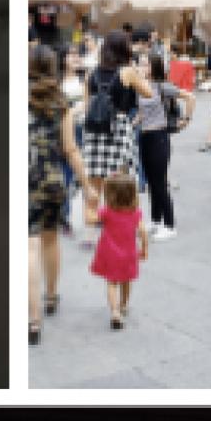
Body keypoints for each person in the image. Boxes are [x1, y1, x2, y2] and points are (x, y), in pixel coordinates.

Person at [28, 47, 84, 347]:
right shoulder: (60, 102)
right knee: (50, 239)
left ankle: (33, 319)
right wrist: (88, 184)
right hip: (52, 181)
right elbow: (70, 149)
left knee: (28, 246)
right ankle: (51, 296)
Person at [78, 32, 149, 233]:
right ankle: (118, 228)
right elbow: (148, 92)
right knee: (119, 181)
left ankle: (90, 231)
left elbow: (86, 105)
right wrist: (138, 73)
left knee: (94, 183)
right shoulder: (127, 72)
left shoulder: (91, 73)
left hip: (93, 129)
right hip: (117, 128)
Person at [133, 50, 192, 241]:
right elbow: (142, 113)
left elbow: (190, 97)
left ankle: (169, 223)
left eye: (146, 64)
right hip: (144, 136)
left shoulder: (161, 86)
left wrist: (186, 119)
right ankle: (156, 220)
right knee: (151, 182)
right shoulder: (140, 86)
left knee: (160, 183)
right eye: (140, 64)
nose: (142, 67)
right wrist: (132, 123)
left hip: (159, 136)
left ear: (154, 66)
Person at [88, 173, 146, 331]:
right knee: (126, 281)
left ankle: (114, 311)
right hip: (129, 253)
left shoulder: (106, 212)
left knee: (112, 282)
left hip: (109, 253)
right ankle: (124, 305)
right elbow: (142, 232)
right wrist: (144, 249)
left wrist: (91, 205)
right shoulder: (135, 213)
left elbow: (90, 220)